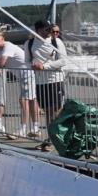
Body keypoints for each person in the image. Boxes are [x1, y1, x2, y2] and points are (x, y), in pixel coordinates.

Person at [29, 20, 67, 148]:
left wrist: (44, 66)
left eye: (50, 29)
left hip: (55, 79)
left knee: (57, 110)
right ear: (38, 30)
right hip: (40, 82)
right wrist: (33, 65)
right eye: (46, 29)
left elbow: (63, 61)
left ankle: (58, 138)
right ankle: (51, 138)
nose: (49, 32)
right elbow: (27, 61)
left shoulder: (57, 42)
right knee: (48, 111)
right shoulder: (29, 43)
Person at [0, 30, 25, 138]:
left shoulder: (7, 46)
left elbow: (0, 63)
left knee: (25, 101)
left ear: (2, 38)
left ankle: (26, 129)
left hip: (27, 72)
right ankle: (0, 125)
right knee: (24, 101)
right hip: (19, 75)